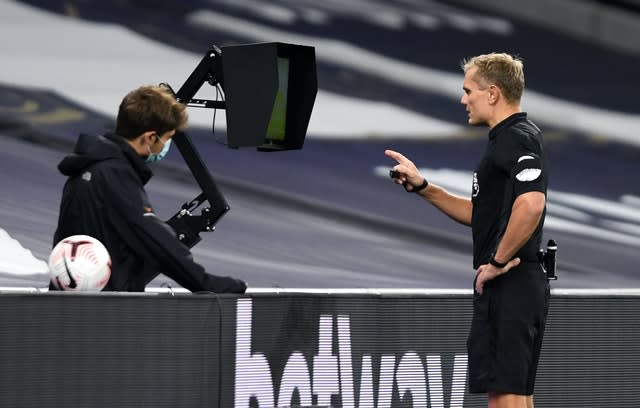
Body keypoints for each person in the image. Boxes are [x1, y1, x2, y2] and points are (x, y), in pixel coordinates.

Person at [386, 53, 550, 408]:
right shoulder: (512, 138)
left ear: (492, 93)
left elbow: (531, 205)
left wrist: (497, 261)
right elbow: (481, 214)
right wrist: (423, 186)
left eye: (468, 91)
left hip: (510, 282)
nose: (463, 99)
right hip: (520, 283)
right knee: (515, 397)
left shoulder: (515, 139)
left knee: (505, 398)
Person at [51, 84, 247, 293]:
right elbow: (154, 240)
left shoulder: (88, 168)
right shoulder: (116, 174)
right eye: (168, 138)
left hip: (73, 304)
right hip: (102, 311)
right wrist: (206, 283)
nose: (165, 146)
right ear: (150, 137)